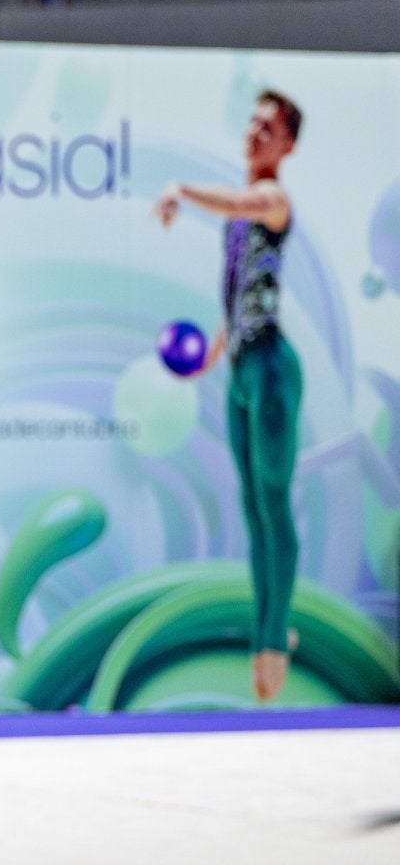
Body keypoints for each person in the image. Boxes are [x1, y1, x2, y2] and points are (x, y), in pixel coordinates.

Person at [155, 90, 305, 702]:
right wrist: (214, 354)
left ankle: (271, 644)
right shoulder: (241, 216)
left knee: (273, 502)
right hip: (243, 368)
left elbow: (239, 200)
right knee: (251, 507)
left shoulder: (269, 199)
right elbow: (240, 291)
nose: (254, 132)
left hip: (271, 368)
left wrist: (181, 191)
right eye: (253, 121)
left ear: (287, 147)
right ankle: (267, 638)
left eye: (269, 128)